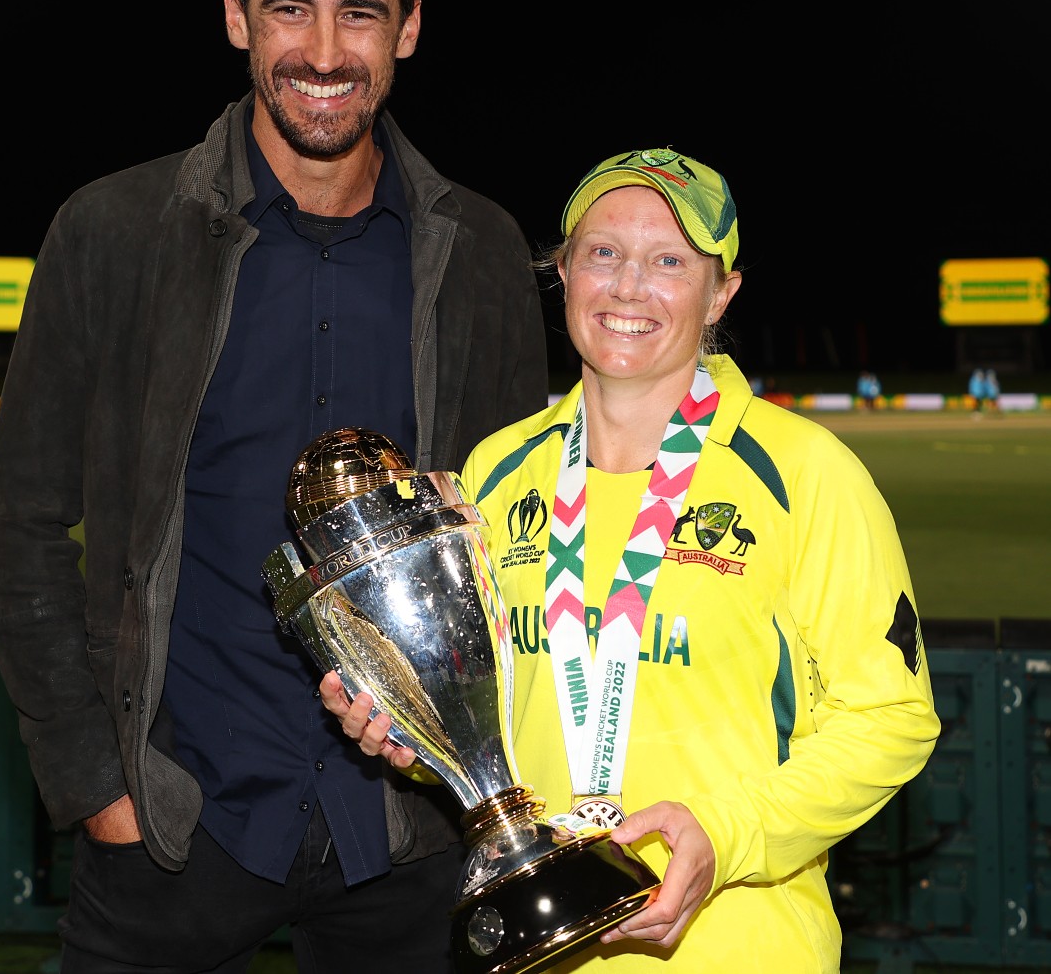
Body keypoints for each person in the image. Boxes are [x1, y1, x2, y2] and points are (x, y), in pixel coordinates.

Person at [0, 0, 549, 973]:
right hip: (175, 823)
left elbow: (509, 536)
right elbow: (22, 521)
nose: (324, 52)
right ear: (237, 16)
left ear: (409, 28)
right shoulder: (112, 230)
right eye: (290, 8)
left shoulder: (479, 248)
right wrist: (95, 785)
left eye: (359, 13)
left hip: (410, 830)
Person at [323, 147, 940, 972]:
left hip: (739, 947)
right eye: (603, 252)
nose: (627, 286)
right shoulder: (496, 472)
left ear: (720, 293)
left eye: (669, 261)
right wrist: (420, 736)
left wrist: (725, 833)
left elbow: (890, 717)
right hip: (540, 946)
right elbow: (502, 716)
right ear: (563, 272)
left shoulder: (803, 471)